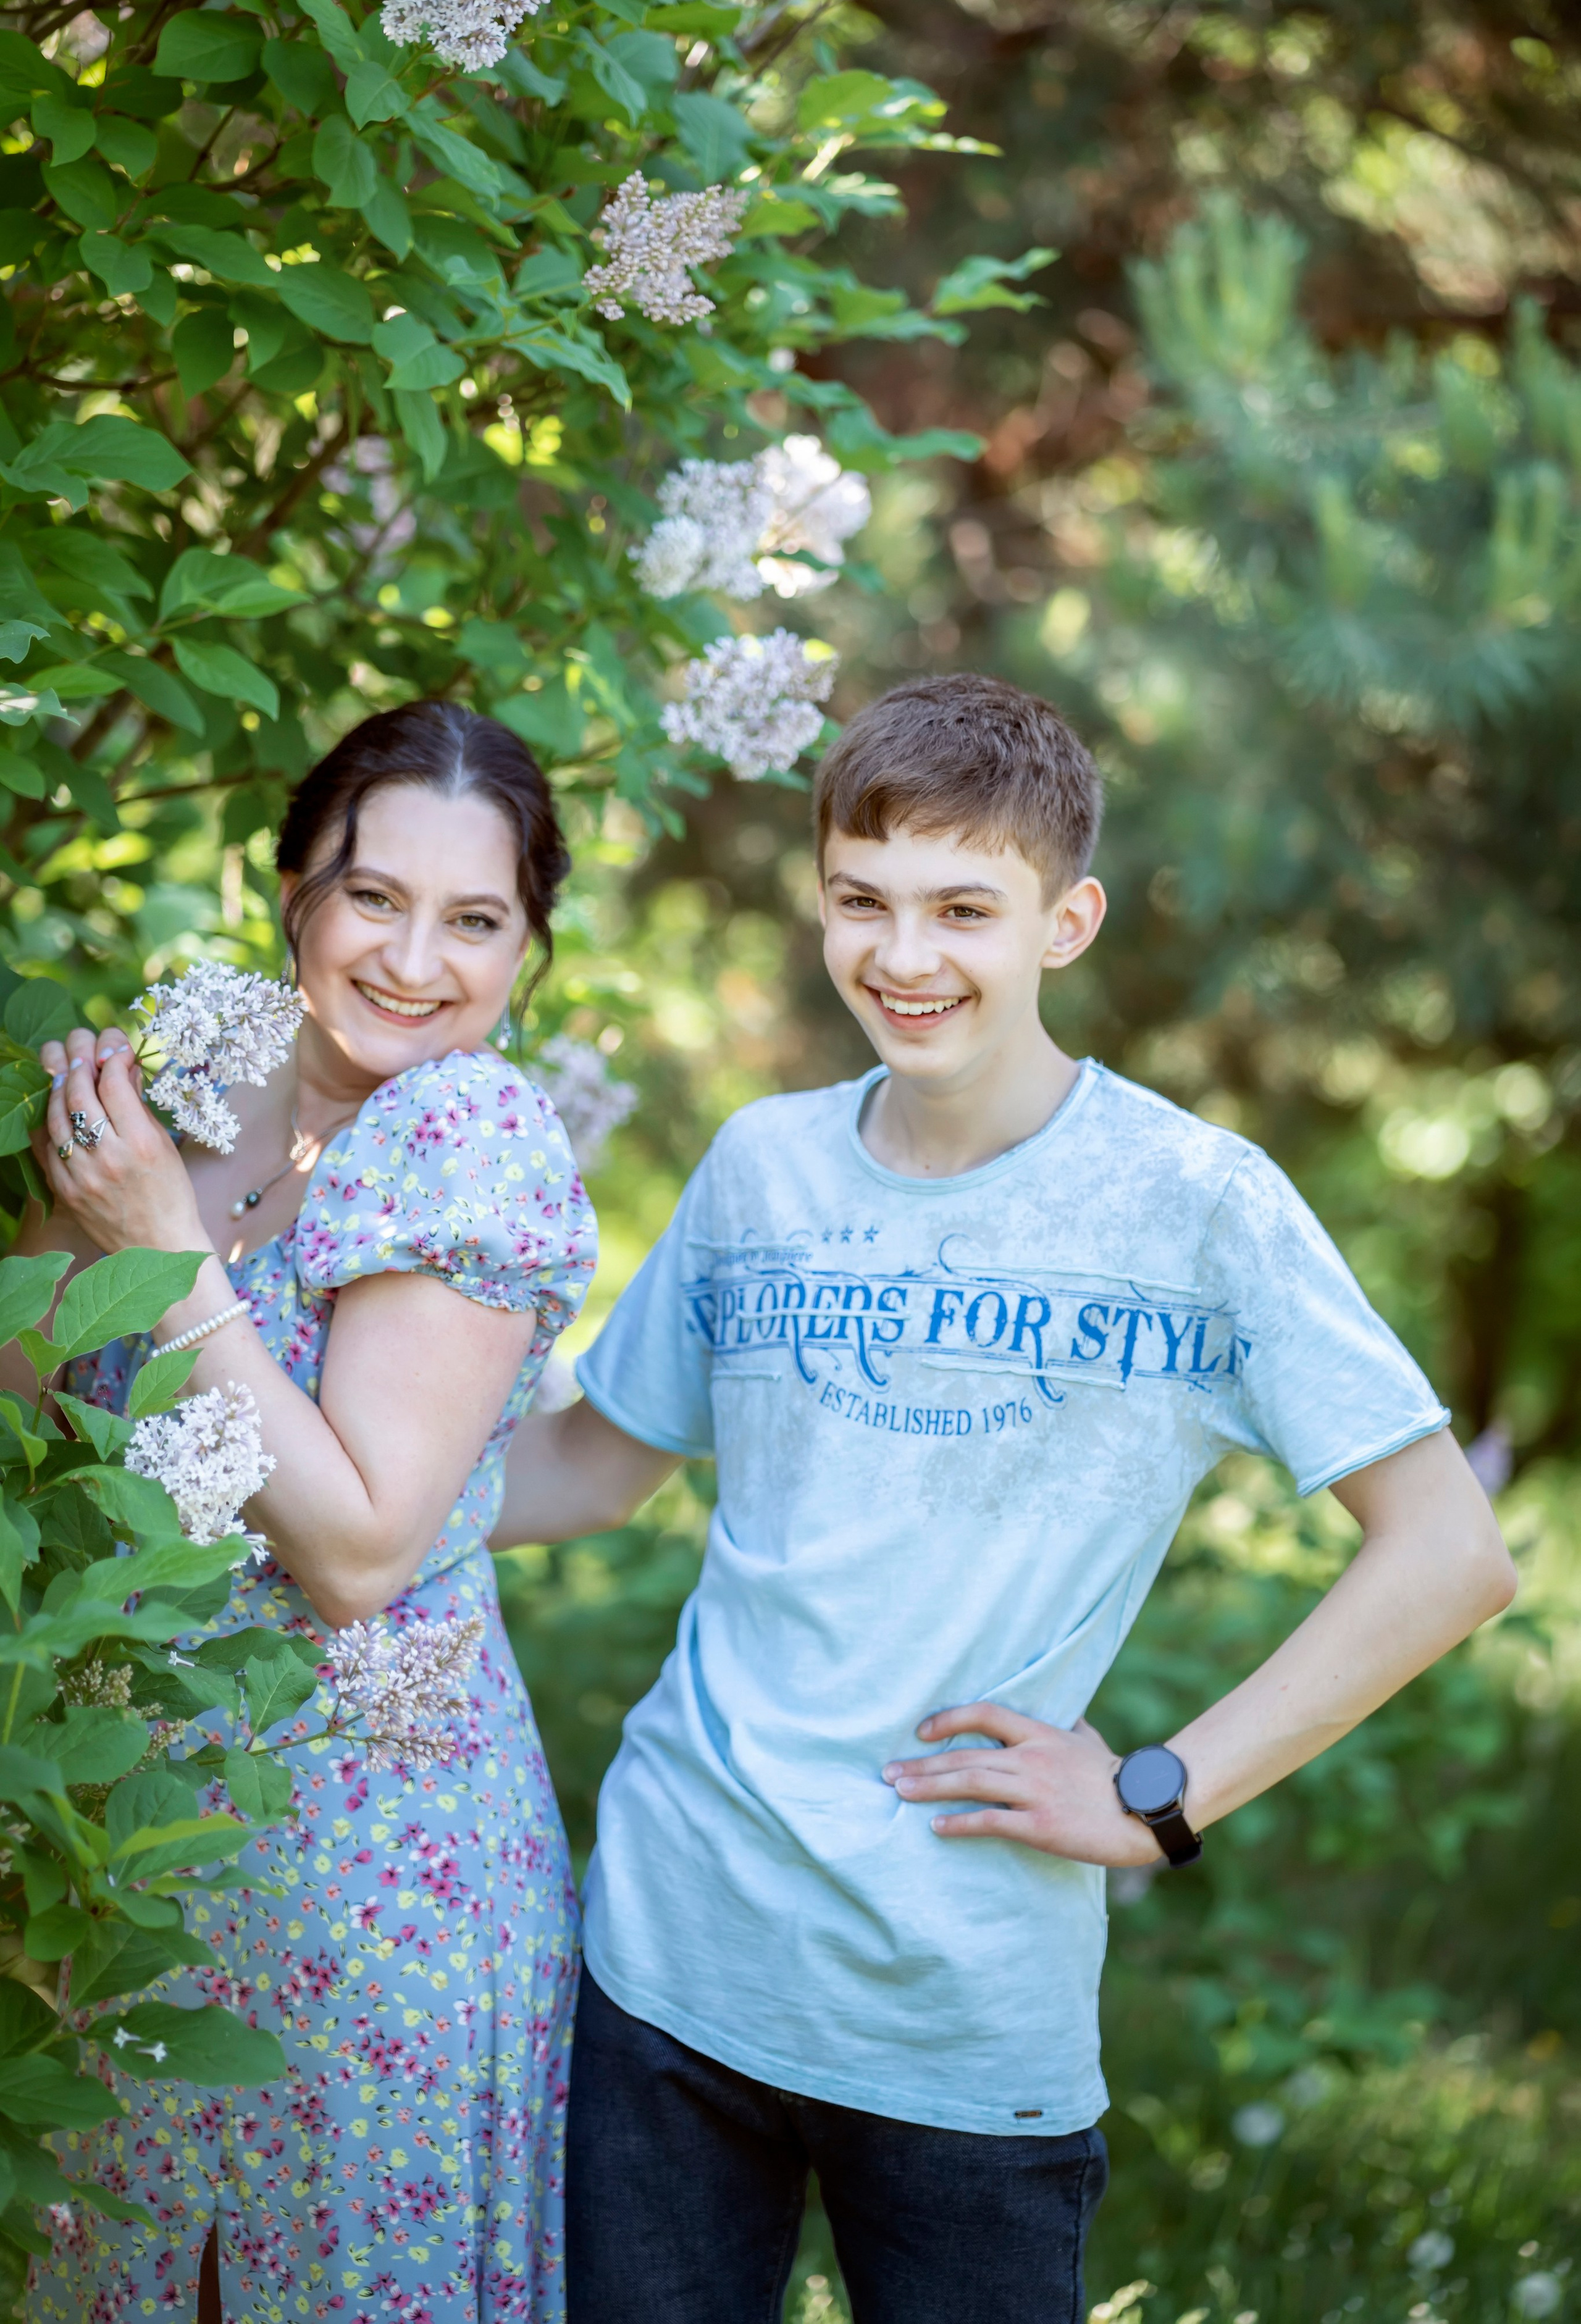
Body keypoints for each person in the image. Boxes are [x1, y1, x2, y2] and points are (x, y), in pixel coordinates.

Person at [487, 673, 1517, 2324]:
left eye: (965, 907)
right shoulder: (763, 1166)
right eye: (862, 903)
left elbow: (1452, 1553)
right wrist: (279, 1479)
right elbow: (594, 1466)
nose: (905, 956)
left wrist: (1161, 1794)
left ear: (1067, 919)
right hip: (669, 1964)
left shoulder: (1191, 1201)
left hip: (962, 2011)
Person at [15, 703, 595, 2324]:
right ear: (291, 892)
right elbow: (35, 1419)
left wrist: (158, 1240)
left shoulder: (466, 1135)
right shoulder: (195, 1087)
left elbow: (355, 1547)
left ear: (528, 948)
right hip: (130, 1854)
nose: (417, 958)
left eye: (477, 920)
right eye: (374, 895)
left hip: (372, 1874)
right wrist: (74, 1210)